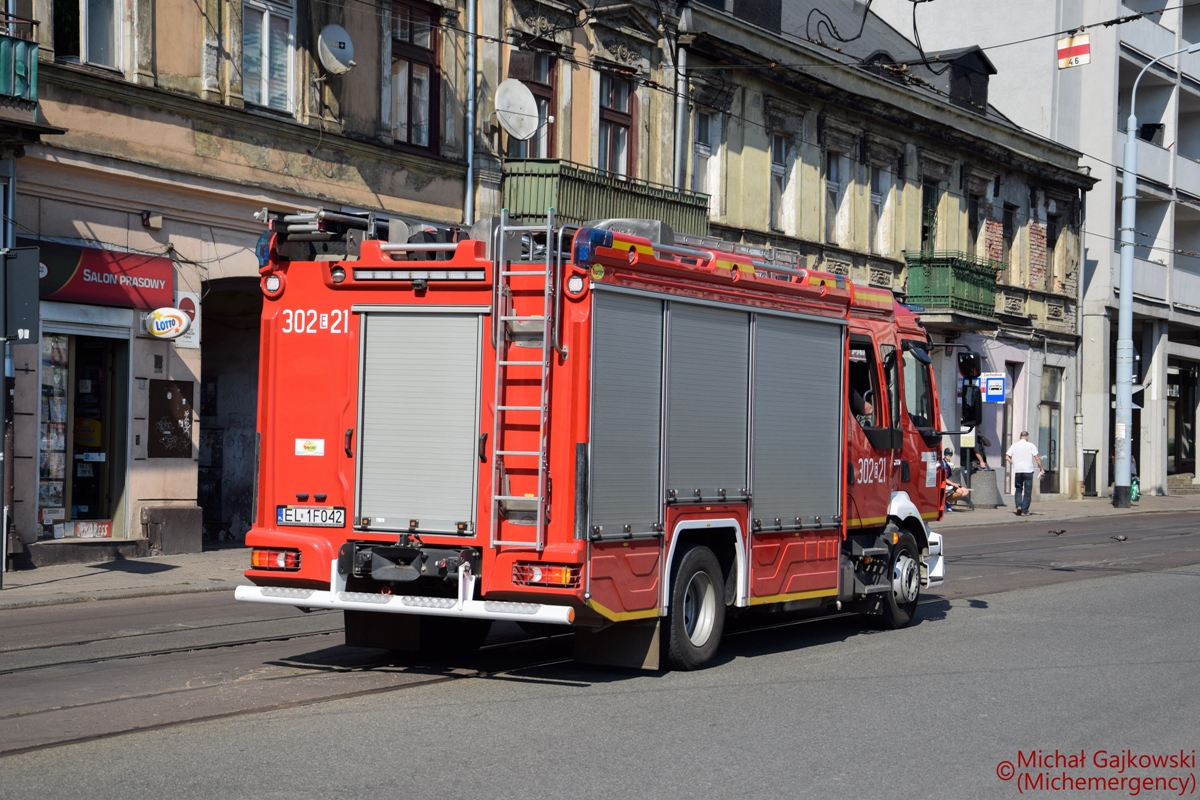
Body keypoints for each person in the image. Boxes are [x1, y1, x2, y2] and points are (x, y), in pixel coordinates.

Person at [1005, 431, 1044, 516]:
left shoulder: (1014, 445)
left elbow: (1007, 457)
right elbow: (1037, 458)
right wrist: (1041, 468)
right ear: (1027, 437)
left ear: (1020, 437)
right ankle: (1024, 510)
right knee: (1027, 491)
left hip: (1018, 470)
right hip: (1028, 471)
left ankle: (1019, 505)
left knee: (1018, 489)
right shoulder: (1030, 445)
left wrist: (1013, 462)